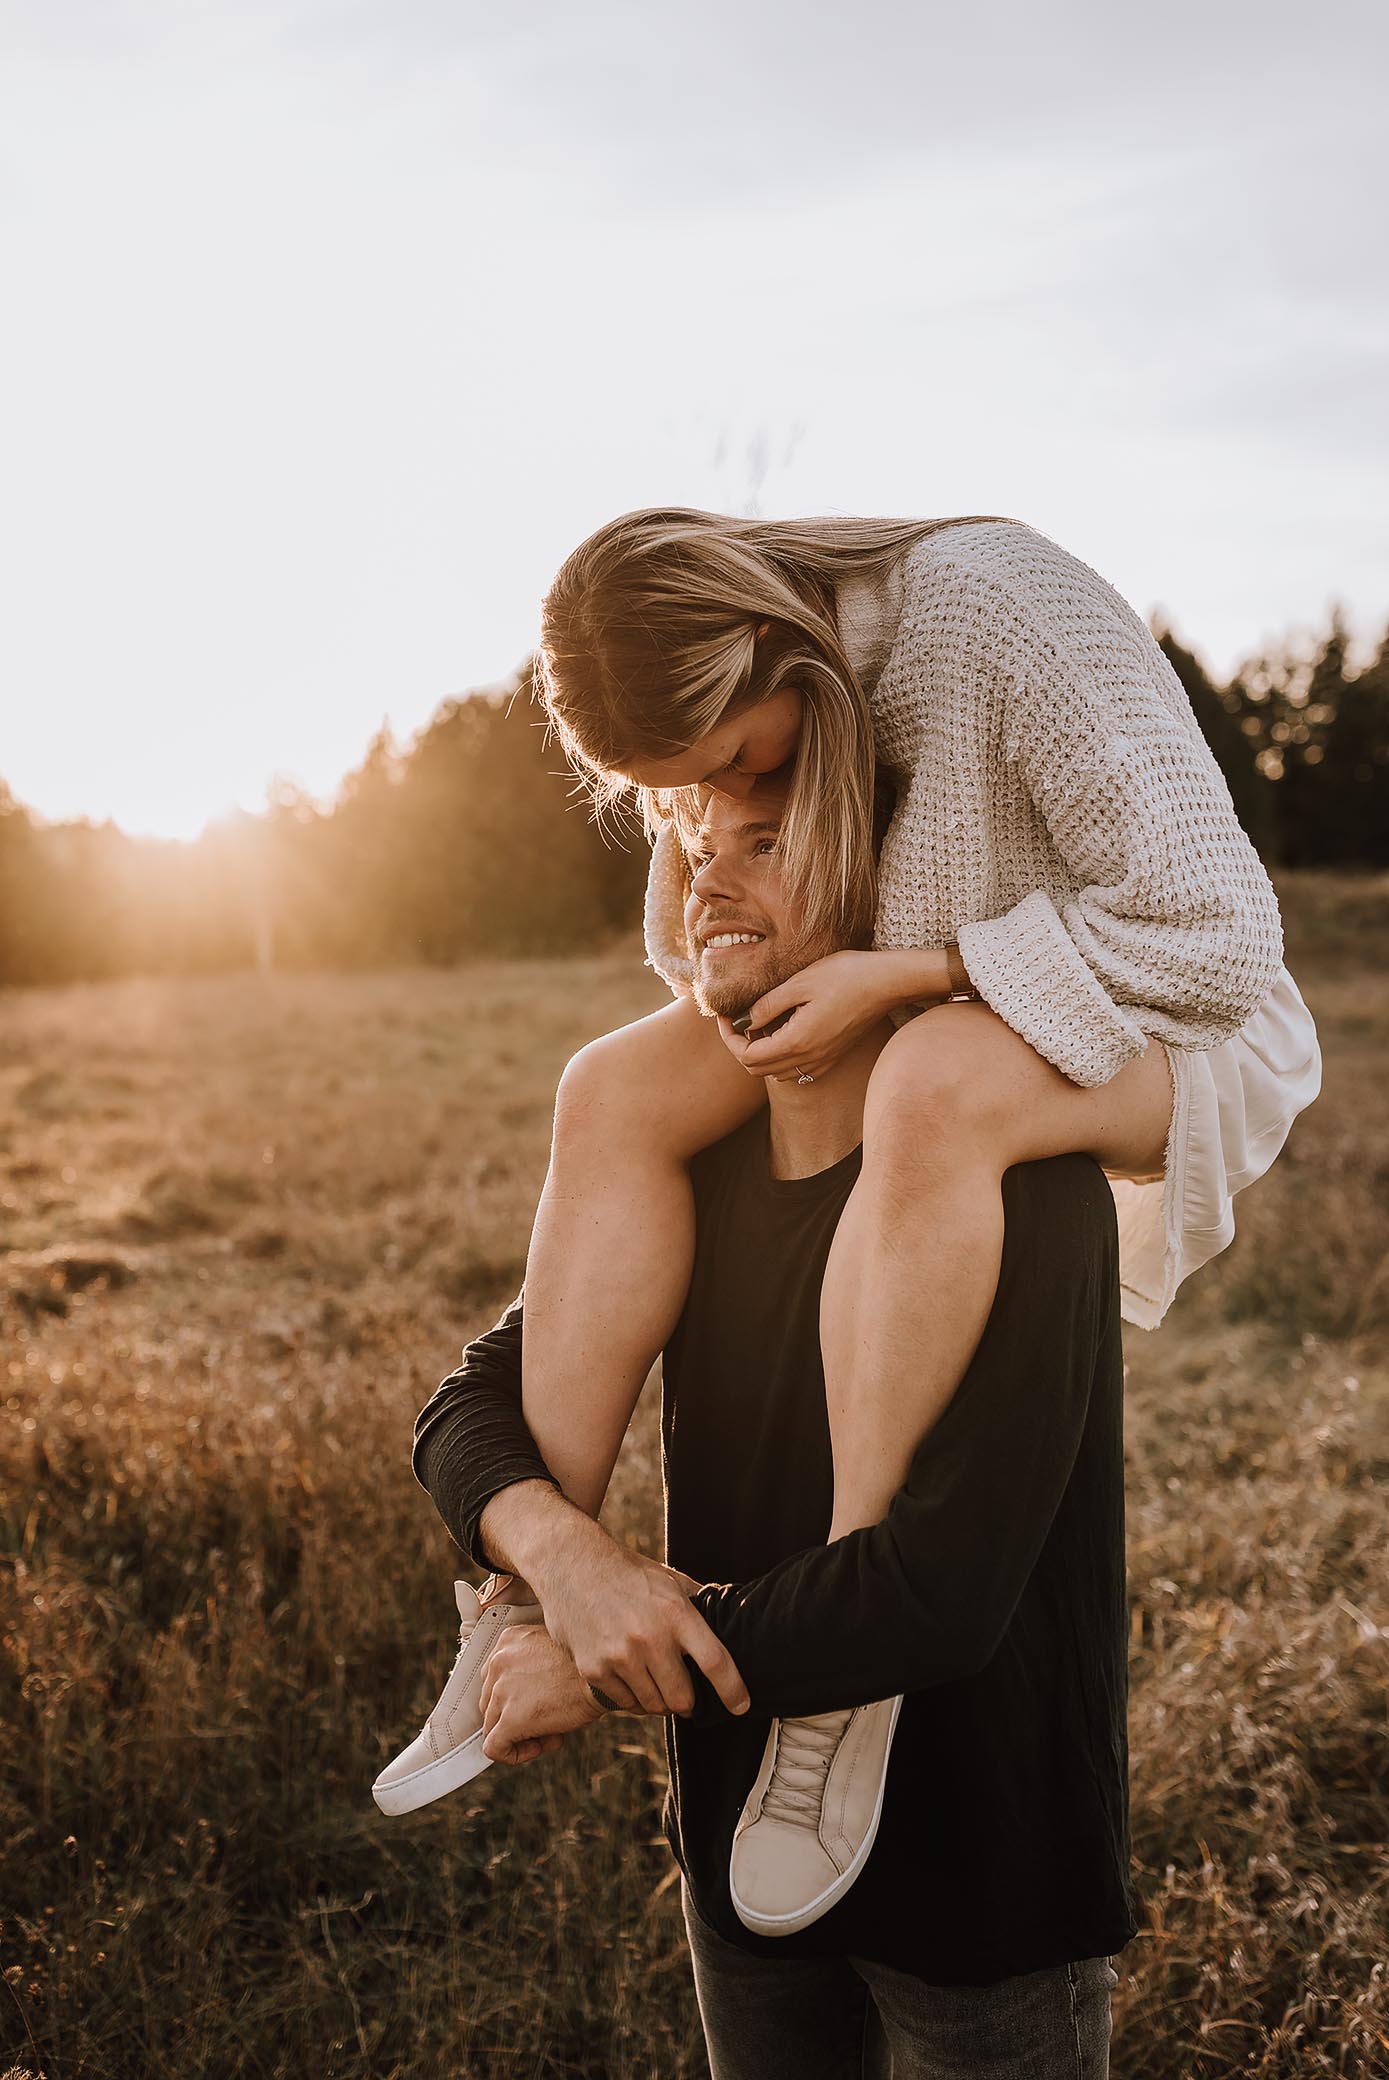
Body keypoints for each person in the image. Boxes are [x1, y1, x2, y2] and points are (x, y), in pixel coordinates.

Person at [376, 509, 1322, 1928]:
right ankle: (525, 1600)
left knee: (941, 1077)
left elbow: (1214, 942)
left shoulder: (998, 608)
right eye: (683, 793)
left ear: (762, 634)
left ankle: (844, 1660)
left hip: (1163, 1016)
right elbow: (686, 951)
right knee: (614, 1084)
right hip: (919, 998)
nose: (722, 791)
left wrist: (907, 976)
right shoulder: (732, 700)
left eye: (734, 757)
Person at [399, 781, 1135, 2078]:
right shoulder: (681, 1172)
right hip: (737, 1846)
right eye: (694, 849)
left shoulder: (1031, 1194)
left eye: (762, 846)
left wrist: (613, 1662)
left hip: (983, 1878)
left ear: (878, 888)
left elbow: (937, 1597)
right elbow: (472, 1410)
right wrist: (569, 1578)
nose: (707, 884)